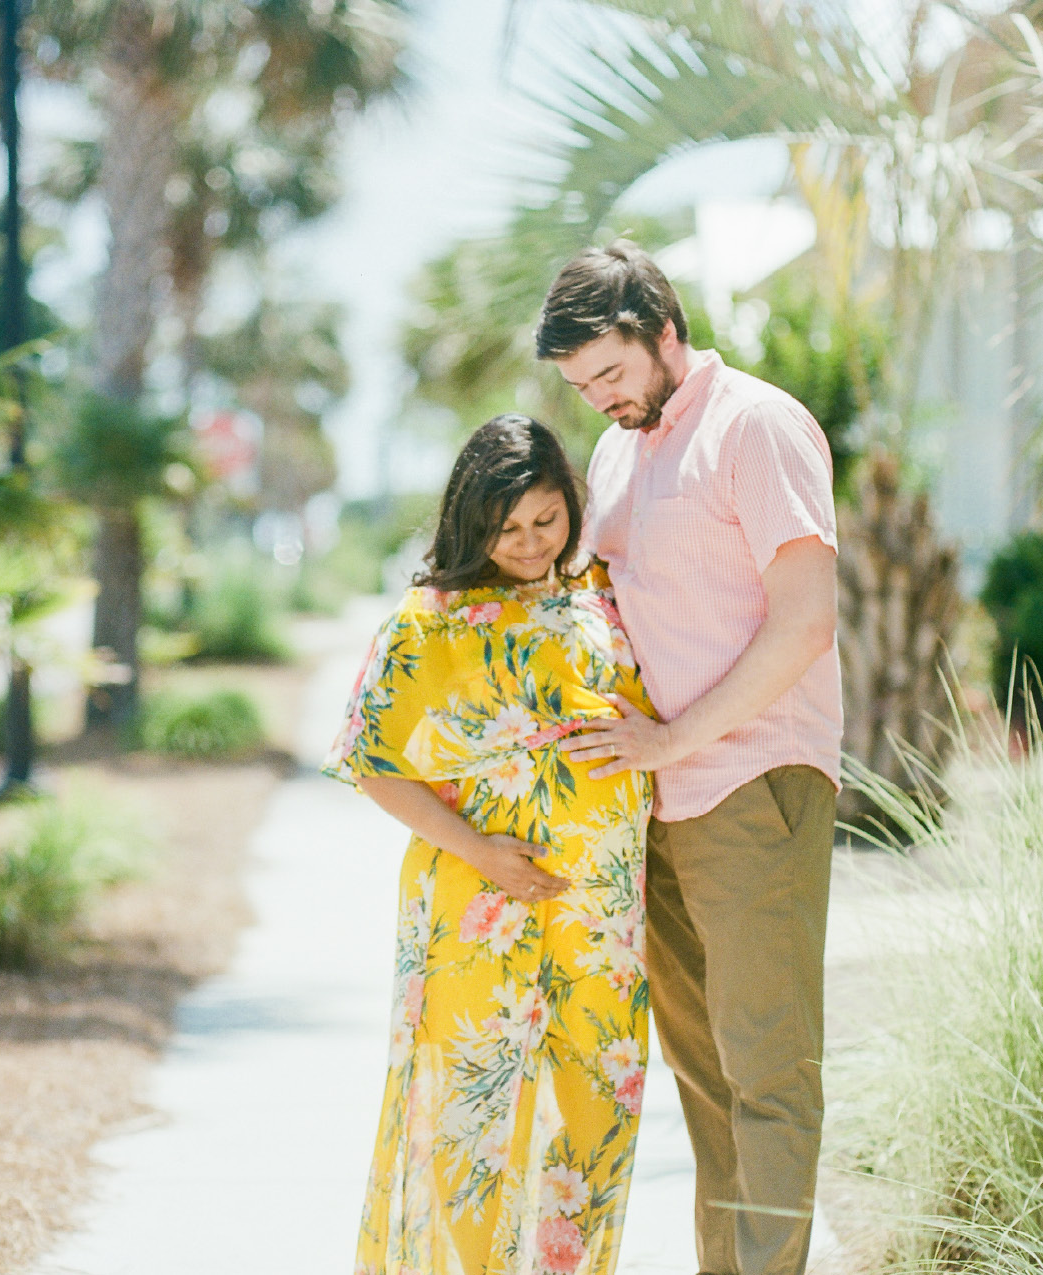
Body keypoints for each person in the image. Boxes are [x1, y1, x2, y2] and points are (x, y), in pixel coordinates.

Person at [539, 240, 841, 1275]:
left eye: (612, 375)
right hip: (653, 807)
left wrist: (670, 738)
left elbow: (805, 623)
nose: (602, 403)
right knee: (705, 1079)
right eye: (582, 390)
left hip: (755, 785)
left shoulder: (756, 425)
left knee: (767, 1073)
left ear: (665, 331)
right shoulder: (622, 450)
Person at [326, 414, 655, 1275]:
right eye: (506, 528)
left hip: (602, 920)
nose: (529, 543)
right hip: (479, 910)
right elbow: (372, 761)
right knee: (471, 1136)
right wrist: (480, 848)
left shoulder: (600, 595)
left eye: (546, 520)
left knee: (590, 1130)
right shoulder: (429, 619)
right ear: (471, 524)